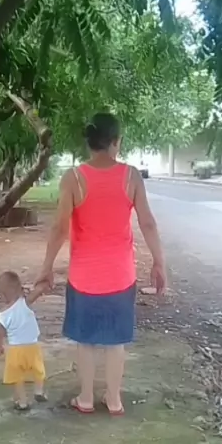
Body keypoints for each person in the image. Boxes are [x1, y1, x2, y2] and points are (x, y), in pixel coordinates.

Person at [36, 112, 166, 415]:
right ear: (116, 142)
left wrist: (46, 267)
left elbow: (59, 228)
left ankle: (85, 399)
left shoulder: (73, 178)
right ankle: (114, 399)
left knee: (85, 341)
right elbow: (147, 223)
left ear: (89, 142)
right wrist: (159, 263)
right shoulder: (131, 176)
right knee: (115, 342)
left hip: (84, 278)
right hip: (121, 277)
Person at [0, 271, 49, 411]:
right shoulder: (25, 302)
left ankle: (23, 402)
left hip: (15, 350)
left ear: (2, 295)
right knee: (38, 369)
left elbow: (0, 331)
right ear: (20, 289)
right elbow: (38, 292)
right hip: (32, 346)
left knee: (17, 377)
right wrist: (44, 283)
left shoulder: (3, 313)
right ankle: (38, 390)